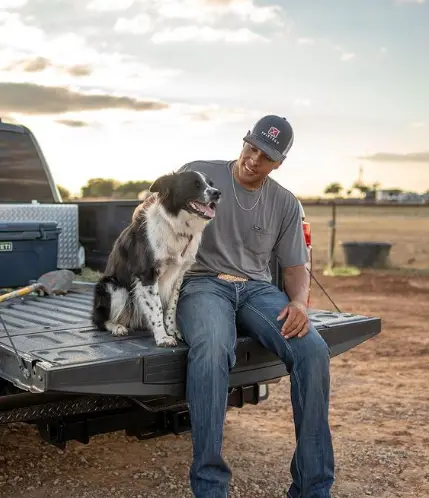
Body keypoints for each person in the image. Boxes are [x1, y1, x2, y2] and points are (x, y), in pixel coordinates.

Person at [175, 114, 334, 498]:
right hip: (202, 283)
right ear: (244, 142)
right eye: (251, 147)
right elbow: (155, 219)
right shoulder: (199, 174)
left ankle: (313, 488)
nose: (253, 159)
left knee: (313, 351)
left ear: (279, 163)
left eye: (265, 156)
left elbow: (296, 267)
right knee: (213, 348)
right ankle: (210, 488)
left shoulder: (284, 202)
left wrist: (298, 302)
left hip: (256, 291)